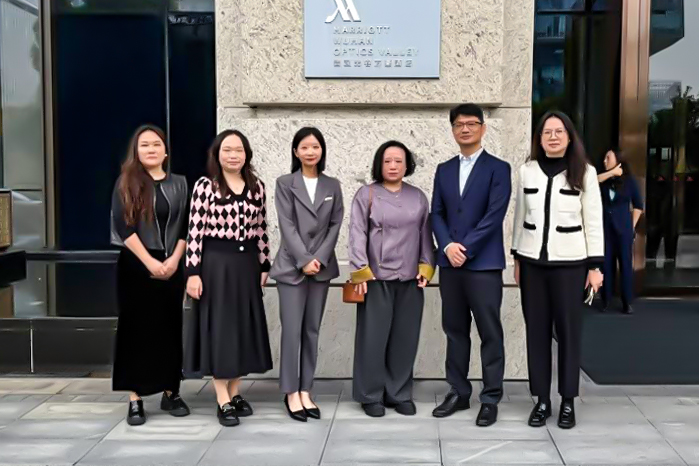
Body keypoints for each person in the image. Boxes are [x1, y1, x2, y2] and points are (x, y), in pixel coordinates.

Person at [511, 110, 604, 429]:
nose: (552, 137)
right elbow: (519, 218)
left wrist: (596, 266)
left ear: (569, 136)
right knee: (536, 333)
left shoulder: (585, 172)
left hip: (571, 265)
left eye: (558, 131)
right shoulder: (527, 171)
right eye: (546, 132)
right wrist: (517, 258)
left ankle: (567, 400)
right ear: (539, 138)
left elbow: (593, 221)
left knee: (568, 333)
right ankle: (541, 400)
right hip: (532, 265)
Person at [184, 129, 273, 427]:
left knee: (242, 328)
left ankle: (235, 393)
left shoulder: (257, 186)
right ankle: (222, 398)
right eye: (227, 150)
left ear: (246, 154)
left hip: (246, 264)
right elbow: (194, 231)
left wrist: (264, 264)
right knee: (220, 329)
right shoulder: (205, 186)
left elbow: (261, 228)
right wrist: (192, 273)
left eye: (239, 150)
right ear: (217, 154)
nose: (233, 155)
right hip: (215, 264)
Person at [431, 104, 511, 427]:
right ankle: (458, 391)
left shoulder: (498, 168)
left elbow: (495, 215)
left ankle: (490, 398)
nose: (465, 129)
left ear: (483, 128)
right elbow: (436, 213)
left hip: (484, 265)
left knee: (489, 332)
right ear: (452, 129)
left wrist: (466, 248)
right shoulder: (444, 169)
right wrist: (447, 246)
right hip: (451, 265)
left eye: (471, 123)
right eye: (459, 124)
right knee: (454, 330)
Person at [110, 124, 191, 426]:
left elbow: (187, 226)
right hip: (136, 265)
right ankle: (135, 398)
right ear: (137, 151)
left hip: (172, 263)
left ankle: (171, 391)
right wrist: (150, 263)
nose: (151, 149)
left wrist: (174, 261)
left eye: (156, 144)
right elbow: (124, 228)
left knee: (169, 328)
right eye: (144, 145)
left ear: (165, 151)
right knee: (136, 331)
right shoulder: (126, 182)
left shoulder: (181, 184)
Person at [349, 140, 435, 418]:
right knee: (373, 339)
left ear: (407, 165)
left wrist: (426, 266)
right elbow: (357, 233)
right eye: (387, 161)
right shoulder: (366, 194)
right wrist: (360, 269)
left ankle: (399, 393)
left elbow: (425, 234)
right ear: (379, 164)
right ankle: (370, 394)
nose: (393, 166)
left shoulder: (418, 197)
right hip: (376, 279)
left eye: (399, 161)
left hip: (410, 279)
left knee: (405, 339)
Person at [270, 127, 344, 422]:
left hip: (321, 269)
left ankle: (305, 390)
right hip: (292, 268)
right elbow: (286, 224)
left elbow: (336, 224)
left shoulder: (332, 185)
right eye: (305, 147)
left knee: (311, 330)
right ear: (295, 152)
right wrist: (303, 259)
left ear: (322, 151)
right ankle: (290, 392)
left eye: (315, 146)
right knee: (292, 331)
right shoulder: (285, 183)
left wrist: (319, 259)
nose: (310, 151)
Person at [597, 148, 644, 314]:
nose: (604, 160)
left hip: (624, 230)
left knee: (625, 264)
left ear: (618, 160)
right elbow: (591, 182)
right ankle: (605, 299)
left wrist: (631, 226)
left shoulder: (629, 181)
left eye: (608, 157)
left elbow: (638, 206)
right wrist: (611, 173)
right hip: (605, 229)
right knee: (606, 265)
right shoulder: (602, 179)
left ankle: (626, 301)